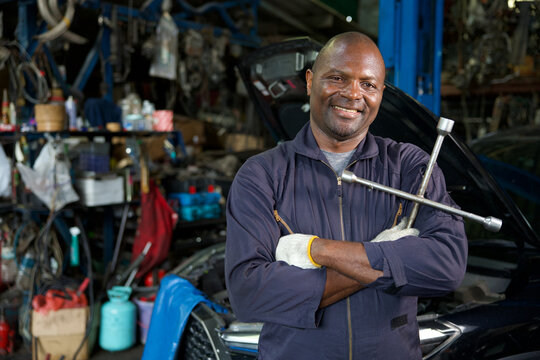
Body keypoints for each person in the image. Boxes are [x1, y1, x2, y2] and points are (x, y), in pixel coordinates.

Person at [225, 32, 468, 359]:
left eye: (368, 84)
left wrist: (317, 250)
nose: (353, 93)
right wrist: (388, 256)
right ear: (310, 81)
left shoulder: (410, 167)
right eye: (337, 78)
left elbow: (447, 267)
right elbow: (248, 293)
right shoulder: (261, 175)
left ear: (381, 93)